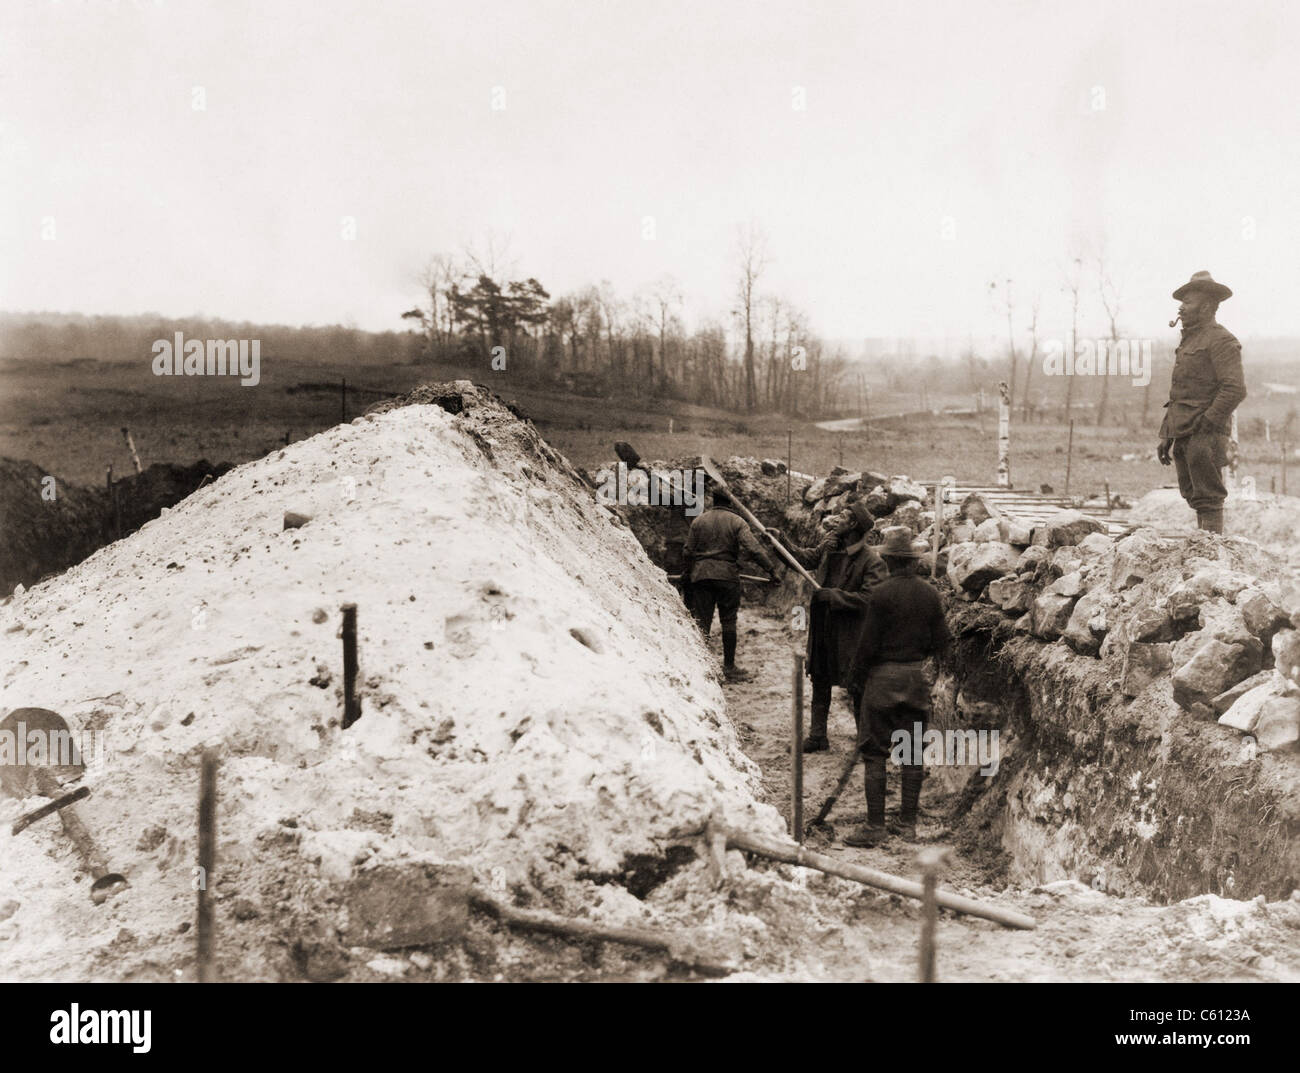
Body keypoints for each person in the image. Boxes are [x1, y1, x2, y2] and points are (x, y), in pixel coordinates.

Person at [844, 526, 952, 848]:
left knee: (875, 755)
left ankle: (875, 827)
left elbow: (866, 645)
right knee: (912, 755)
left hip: (882, 681)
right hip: (916, 680)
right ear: (913, 562)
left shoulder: (880, 594)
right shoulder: (930, 594)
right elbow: (942, 643)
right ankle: (908, 827)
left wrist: (854, 678)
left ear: (889, 561)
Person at [769, 499, 887, 752]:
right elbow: (803, 557)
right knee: (820, 679)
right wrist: (780, 542)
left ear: (854, 525)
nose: (835, 521)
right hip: (824, 628)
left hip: (851, 634)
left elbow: (871, 600)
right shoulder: (830, 549)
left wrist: (834, 596)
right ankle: (818, 736)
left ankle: (865, 740)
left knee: (857, 685)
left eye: (842, 517)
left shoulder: (871, 560)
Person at [1157, 271, 1247, 534]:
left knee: (1208, 496)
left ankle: (1211, 556)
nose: (1181, 307)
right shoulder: (1190, 340)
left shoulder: (1221, 340)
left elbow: (1234, 388)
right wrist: (1167, 434)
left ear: (1206, 306)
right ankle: (1203, 551)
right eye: (1181, 302)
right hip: (1184, 430)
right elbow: (1179, 394)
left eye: (1188, 302)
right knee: (1194, 494)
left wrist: (1207, 425)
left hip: (1205, 432)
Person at [682, 487, 779, 681]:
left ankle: (701, 667)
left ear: (713, 500)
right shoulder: (737, 521)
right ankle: (729, 667)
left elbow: (687, 552)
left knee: (702, 621)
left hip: (701, 576)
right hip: (727, 577)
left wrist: (688, 573)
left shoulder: (699, 521)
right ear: (730, 502)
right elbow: (754, 549)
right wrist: (771, 570)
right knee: (728, 620)